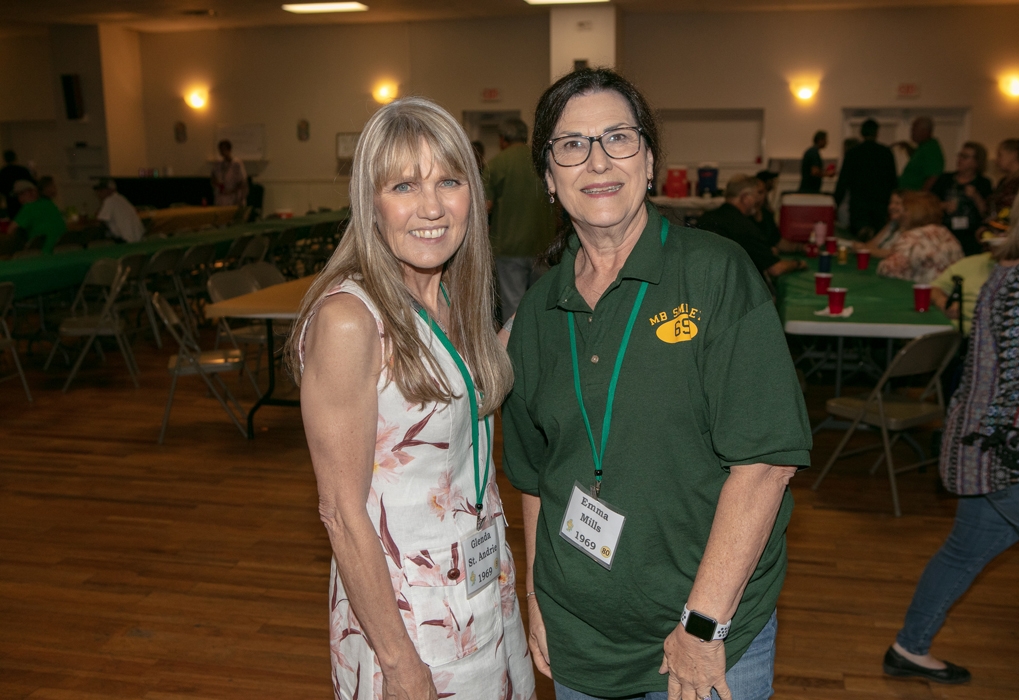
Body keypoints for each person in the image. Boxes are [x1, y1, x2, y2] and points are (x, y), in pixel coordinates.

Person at [502, 67, 812, 700]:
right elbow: (534, 479)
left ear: (648, 162)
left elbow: (765, 466)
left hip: (709, 632)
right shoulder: (537, 312)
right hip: (580, 638)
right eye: (572, 144)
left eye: (618, 137)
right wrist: (536, 597)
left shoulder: (716, 274)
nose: (598, 161)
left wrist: (701, 627)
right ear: (549, 177)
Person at [287, 96, 535, 700]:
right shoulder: (351, 320)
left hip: (482, 583)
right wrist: (399, 663)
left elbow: (464, 387)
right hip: (405, 617)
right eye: (404, 185)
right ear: (370, 203)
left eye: (449, 181)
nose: (431, 207)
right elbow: (340, 513)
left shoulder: (451, 296)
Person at [884, 158, 1019, 684]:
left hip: (986, 448)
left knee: (962, 553)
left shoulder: (1012, 271)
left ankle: (908, 649)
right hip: (1010, 459)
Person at [484, 117, 558, 321]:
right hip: (543, 245)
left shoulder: (497, 163)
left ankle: (516, 343)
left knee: (513, 306)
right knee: (543, 303)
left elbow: (485, 205)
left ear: (502, 139)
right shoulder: (542, 162)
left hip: (509, 247)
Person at [697, 174, 807, 280]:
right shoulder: (744, 227)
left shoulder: (706, 218)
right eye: (755, 196)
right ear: (745, 197)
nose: (758, 201)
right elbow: (776, 268)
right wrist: (797, 264)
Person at [870, 191, 963, 284]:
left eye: (906, 210)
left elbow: (887, 270)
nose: (902, 214)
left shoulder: (911, 237)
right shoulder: (946, 233)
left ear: (916, 213)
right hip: (949, 287)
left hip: (923, 289)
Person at [833, 118, 898, 237]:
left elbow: (843, 180)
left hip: (859, 203)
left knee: (859, 236)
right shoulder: (886, 152)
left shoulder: (853, 153)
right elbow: (892, 180)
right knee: (878, 236)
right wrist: (893, 202)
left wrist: (836, 202)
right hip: (880, 203)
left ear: (861, 133)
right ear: (877, 133)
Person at [930, 142, 993, 256]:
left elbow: (986, 212)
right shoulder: (945, 179)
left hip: (970, 237)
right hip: (945, 233)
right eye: (960, 155)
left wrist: (976, 196)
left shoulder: (983, 183)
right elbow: (928, 204)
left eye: (965, 157)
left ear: (977, 162)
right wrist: (944, 205)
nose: (960, 159)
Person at [930, 252, 995, 337]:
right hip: (955, 335)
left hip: (990, 337)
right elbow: (934, 289)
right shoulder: (972, 262)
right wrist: (944, 303)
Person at [980, 138, 1019, 239]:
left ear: (1013, 155)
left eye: (1000, 155)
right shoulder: (1004, 181)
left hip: (1018, 234)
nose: (996, 160)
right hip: (998, 233)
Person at [7, 180, 66, 254]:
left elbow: (10, 230)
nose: (19, 199)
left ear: (30, 193)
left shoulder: (28, 208)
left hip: (42, 253)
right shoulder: (49, 203)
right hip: (63, 249)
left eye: (20, 195)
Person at [898, 116, 944, 191]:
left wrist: (922, 194)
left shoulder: (931, 149)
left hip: (915, 194)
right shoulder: (922, 147)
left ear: (924, 131)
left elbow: (933, 175)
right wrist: (907, 147)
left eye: (914, 130)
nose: (912, 133)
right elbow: (918, 159)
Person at [94, 179, 144, 243]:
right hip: (138, 237)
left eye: (101, 191)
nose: (99, 194)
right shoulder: (121, 198)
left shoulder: (110, 200)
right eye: (98, 191)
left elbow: (100, 220)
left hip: (127, 239)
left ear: (110, 190)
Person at [211, 139, 248, 207]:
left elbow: (242, 182)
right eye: (220, 150)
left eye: (224, 149)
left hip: (234, 197)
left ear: (229, 149)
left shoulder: (237, 164)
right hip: (221, 198)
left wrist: (231, 191)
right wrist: (217, 183)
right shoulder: (218, 164)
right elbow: (213, 177)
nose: (222, 152)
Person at [0, 150, 35, 219]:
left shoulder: (3, 172)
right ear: (15, 158)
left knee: (15, 219)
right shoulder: (22, 170)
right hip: (26, 200)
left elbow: (1, 188)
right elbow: (32, 184)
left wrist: (9, 193)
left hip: (11, 201)